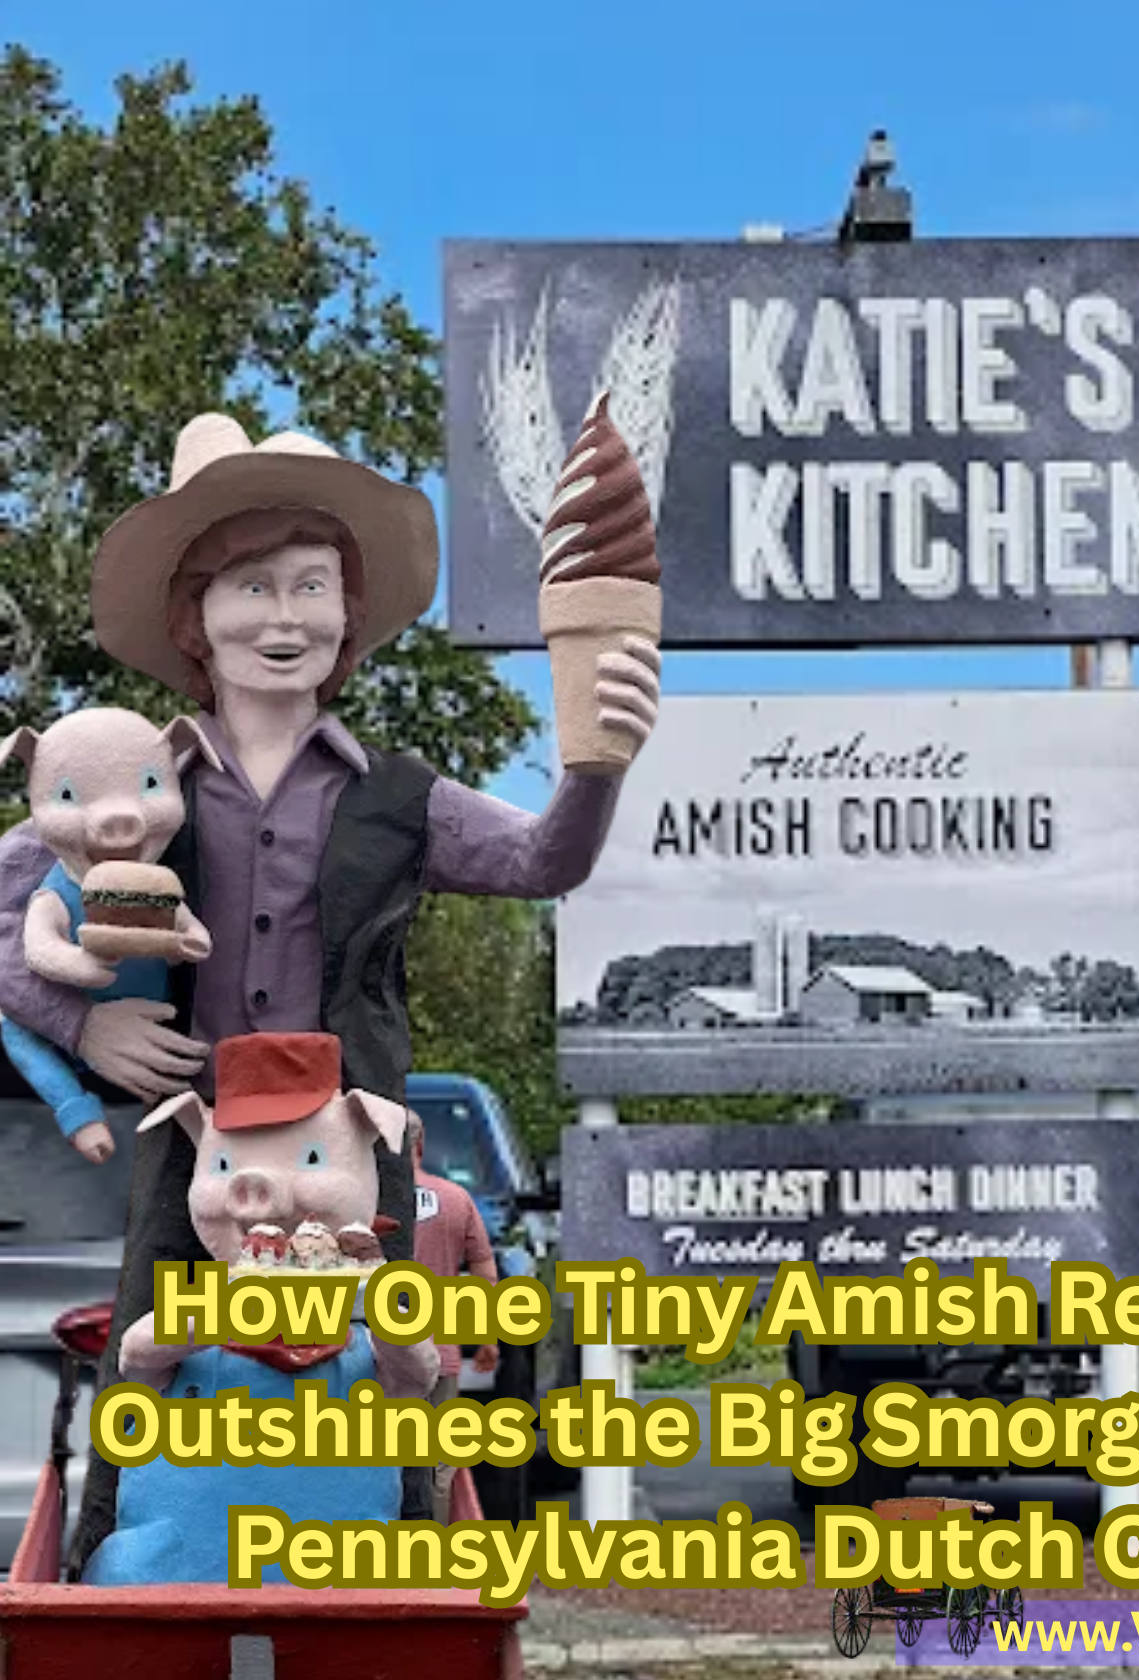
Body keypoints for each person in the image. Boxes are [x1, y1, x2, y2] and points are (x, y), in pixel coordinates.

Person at [0, 411, 661, 1572]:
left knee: (396, 1378)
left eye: (313, 586)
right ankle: (111, 1605)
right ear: (193, 616)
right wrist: (80, 1020)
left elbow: (543, 859)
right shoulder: (129, 780)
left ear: (351, 617)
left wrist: (595, 767)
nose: (285, 617)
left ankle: (402, 1601)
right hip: (189, 1144)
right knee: (148, 1375)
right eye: (252, 585)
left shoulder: (402, 795)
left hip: (363, 1139)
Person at [409, 1110, 500, 1521]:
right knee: (440, 1463)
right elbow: (483, 1267)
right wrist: (488, 1337)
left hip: (376, 1354)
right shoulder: (455, 1199)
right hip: (441, 1352)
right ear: (421, 1145)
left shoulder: (365, 1198)